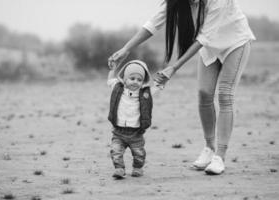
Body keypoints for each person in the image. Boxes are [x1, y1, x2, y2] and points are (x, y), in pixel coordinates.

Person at [108, 0, 255, 175]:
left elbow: (203, 37)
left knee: (225, 94)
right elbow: (153, 23)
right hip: (209, 48)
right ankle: (209, 148)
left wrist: (174, 67)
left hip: (234, 42)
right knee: (204, 94)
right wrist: (126, 49)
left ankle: (220, 157)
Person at [107, 60, 162, 179]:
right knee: (115, 152)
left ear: (143, 81)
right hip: (118, 131)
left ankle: (138, 168)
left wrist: (162, 78)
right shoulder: (117, 88)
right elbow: (110, 80)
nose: (135, 82)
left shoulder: (145, 93)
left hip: (136, 133)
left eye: (139, 79)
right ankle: (119, 169)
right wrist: (113, 69)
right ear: (125, 78)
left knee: (139, 154)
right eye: (132, 78)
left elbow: (157, 86)